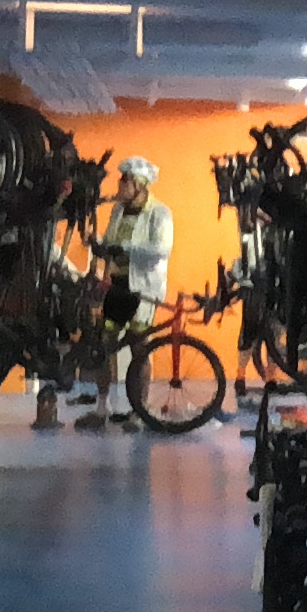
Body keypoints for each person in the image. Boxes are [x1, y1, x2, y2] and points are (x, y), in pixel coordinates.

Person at [86, 153, 175, 425]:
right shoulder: (118, 211)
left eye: (125, 181)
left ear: (139, 185)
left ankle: (140, 410)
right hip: (117, 285)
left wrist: (124, 248)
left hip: (142, 288)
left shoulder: (159, 213)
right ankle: (102, 407)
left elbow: (161, 250)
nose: (120, 186)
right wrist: (99, 246)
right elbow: (110, 242)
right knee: (104, 345)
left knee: (139, 348)